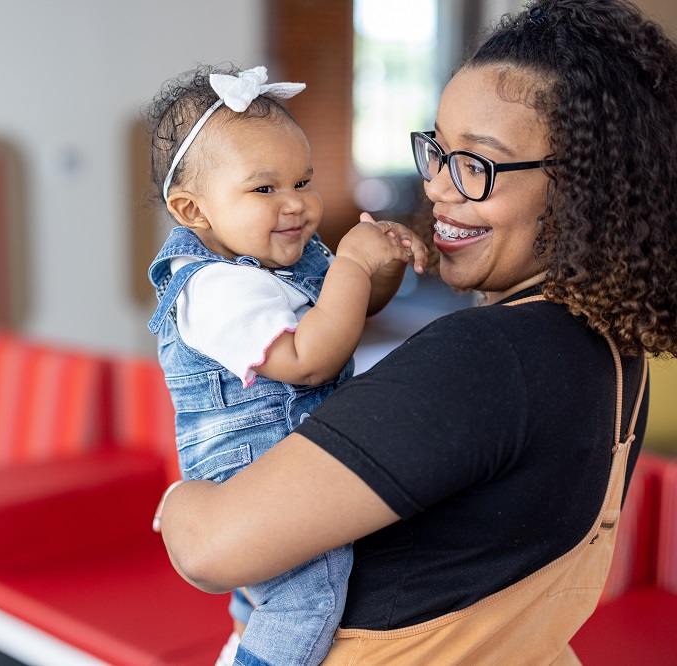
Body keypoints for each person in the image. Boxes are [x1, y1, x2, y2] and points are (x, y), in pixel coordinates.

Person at [153, 1, 677, 664]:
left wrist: (180, 500)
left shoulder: (487, 357)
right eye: (438, 152)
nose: (437, 188)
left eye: (477, 165)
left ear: (586, 189)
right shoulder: (607, 348)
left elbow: (210, 550)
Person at [143, 64, 428, 666]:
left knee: (278, 593)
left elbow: (346, 314)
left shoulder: (278, 258)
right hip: (252, 479)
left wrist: (380, 268)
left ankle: (245, 638)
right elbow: (309, 361)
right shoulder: (214, 290)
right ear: (193, 210)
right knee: (307, 601)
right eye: (265, 190)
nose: (296, 204)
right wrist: (350, 265)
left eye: (304, 180)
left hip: (286, 466)